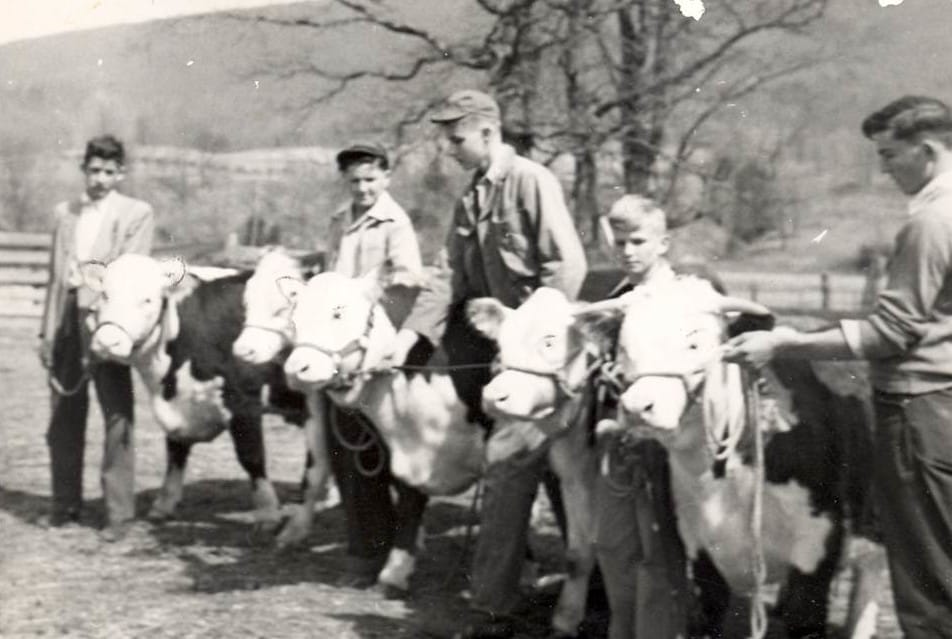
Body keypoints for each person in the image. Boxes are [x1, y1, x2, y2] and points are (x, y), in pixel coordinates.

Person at [722, 95, 952, 639]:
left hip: (920, 410)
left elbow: (891, 330)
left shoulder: (930, 223)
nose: (884, 169)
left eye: (889, 155)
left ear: (927, 150)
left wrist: (785, 344)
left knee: (926, 579)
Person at [396, 89, 588, 638]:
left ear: (487, 132)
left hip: (542, 361)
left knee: (511, 465)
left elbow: (566, 265)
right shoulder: (471, 197)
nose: (448, 148)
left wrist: (530, 336)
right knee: (536, 470)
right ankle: (542, 592)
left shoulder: (530, 181)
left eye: (455, 138)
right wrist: (409, 336)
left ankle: (496, 607)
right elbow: (447, 275)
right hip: (508, 354)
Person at [321, 141, 429, 588]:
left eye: (370, 179)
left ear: (386, 178)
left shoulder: (395, 223)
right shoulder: (338, 221)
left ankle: (391, 547)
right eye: (355, 181)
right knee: (345, 446)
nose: (363, 188)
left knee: (380, 449)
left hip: (377, 344)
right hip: (339, 345)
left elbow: (409, 281)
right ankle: (365, 548)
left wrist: (372, 301)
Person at [39, 135, 155, 542]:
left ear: (120, 173)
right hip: (67, 320)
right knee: (64, 413)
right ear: (83, 170)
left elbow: (129, 272)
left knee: (116, 414)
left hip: (109, 321)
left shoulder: (136, 213)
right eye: (94, 171)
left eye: (108, 172)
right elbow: (55, 277)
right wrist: (48, 331)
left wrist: (106, 320)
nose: (100, 179)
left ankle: (119, 514)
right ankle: (64, 504)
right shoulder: (65, 213)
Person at [593, 195, 688, 639]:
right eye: (620, 243)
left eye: (638, 242)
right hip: (616, 434)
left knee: (657, 552)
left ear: (663, 243)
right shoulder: (617, 297)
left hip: (661, 439)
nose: (628, 252)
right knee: (612, 544)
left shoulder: (682, 299)